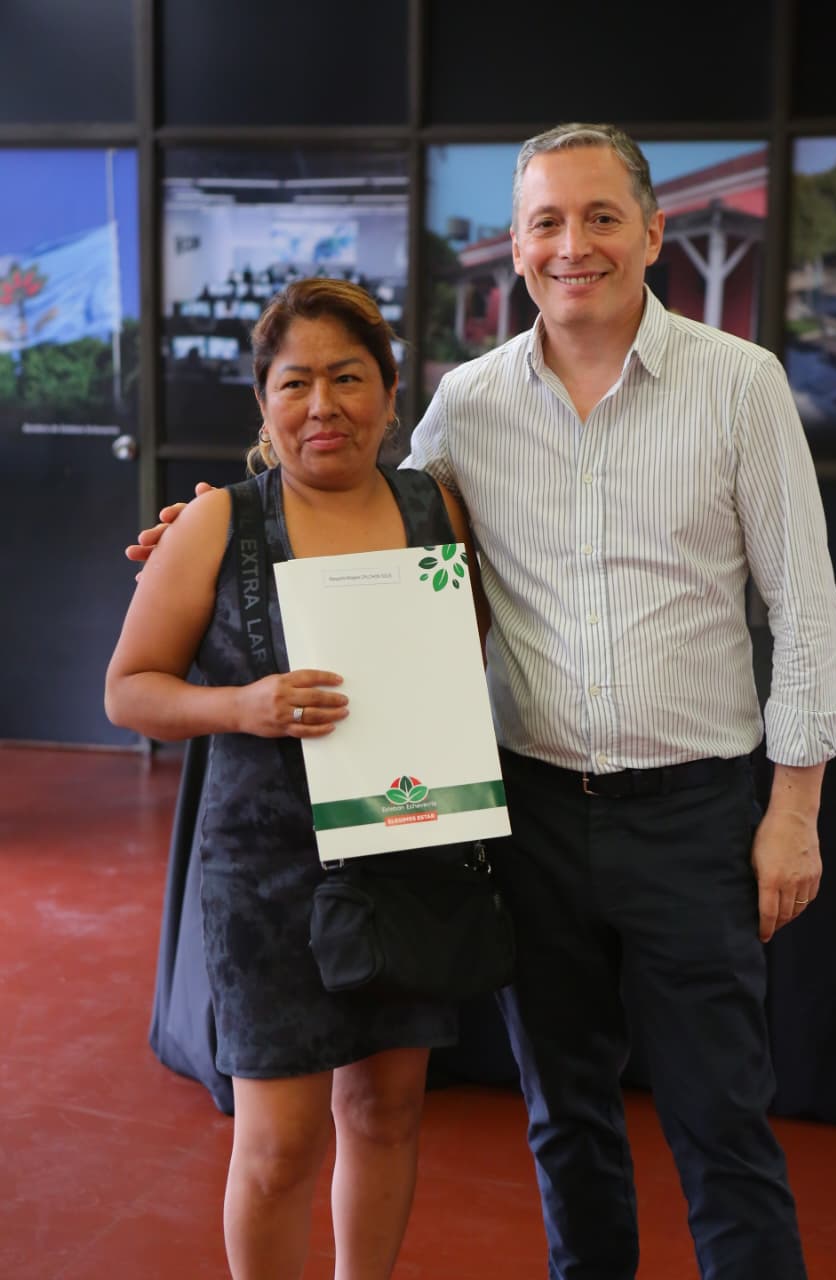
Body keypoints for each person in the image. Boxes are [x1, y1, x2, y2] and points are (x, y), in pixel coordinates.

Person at [130, 124, 836, 1280]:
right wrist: (207, 529)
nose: (573, 245)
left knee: (722, 1120)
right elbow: (357, 502)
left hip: (696, 814)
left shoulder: (740, 383)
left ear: (653, 232)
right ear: (515, 247)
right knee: (565, 1117)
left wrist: (795, 808)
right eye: (546, 223)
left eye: (600, 216)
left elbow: (806, 611)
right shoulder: (466, 404)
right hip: (526, 814)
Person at [108, 277, 485, 1280]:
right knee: (277, 1144)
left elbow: (467, 652)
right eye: (296, 382)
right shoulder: (217, 525)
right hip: (265, 873)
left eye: (349, 378)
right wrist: (242, 705)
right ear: (264, 401)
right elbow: (128, 690)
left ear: (392, 394)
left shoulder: (434, 508)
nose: (324, 405)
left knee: (386, 1110)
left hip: (406, 847)